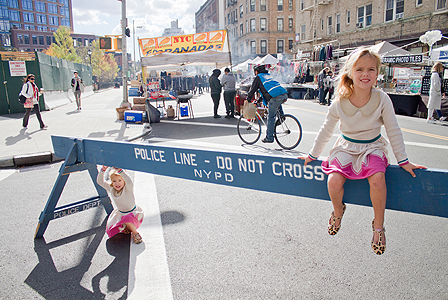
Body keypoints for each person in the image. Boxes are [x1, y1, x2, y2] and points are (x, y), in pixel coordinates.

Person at [299, 47, 426, 255]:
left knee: (377, 178)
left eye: (371, 69)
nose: (365, 74)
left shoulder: (382, 98)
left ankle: (378, 227)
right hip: (346, 147)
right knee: (333, 181)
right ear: (349, 72)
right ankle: (338, 211)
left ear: (378, 73)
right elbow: (326, 130)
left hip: (372, 147)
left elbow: (393, 129)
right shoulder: (340, 100)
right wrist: (312, 154)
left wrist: (403, 160)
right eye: (359, 69)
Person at [97, 166, 144, 244]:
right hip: (121, 213)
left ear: (124, 181)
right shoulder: (112, 189)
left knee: (127, 218)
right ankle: (126, 226)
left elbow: (129, 181)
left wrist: (120, 170)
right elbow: (100, 182)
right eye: (114, 181)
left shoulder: (127, 188)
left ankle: (135, 233)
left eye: (120, 180)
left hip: (133, 214)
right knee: (110, 231)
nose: (117, 183)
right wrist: (103, 170)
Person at [245, 65, 288, 143]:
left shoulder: (258, 77)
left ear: (256, 71)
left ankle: (269, 137)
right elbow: (266, 90)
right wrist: (259, 100)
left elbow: (252, 90)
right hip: (283, 94)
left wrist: (248, 99)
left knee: (271, 117)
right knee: (277, 103)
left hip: (275, 97)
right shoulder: (268, 76)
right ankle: (281, 116)